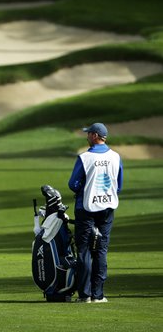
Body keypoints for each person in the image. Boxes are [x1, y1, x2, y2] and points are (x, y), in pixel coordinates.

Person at [68, 122, 123, 304]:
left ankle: (85, 295)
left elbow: (73, 184)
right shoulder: (116, 157)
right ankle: (98, 295)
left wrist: (83, 189)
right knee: (101, 250)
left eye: (88, 134)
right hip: (107, 207)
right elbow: (118, 184)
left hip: (86, 208)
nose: (87, 136)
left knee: (84, 250)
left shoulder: (85, 158)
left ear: (94, 135)